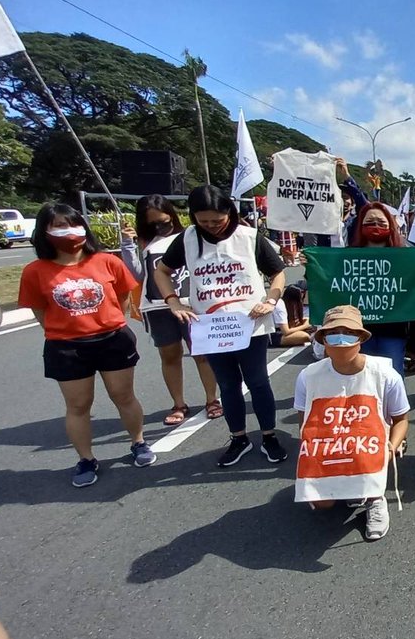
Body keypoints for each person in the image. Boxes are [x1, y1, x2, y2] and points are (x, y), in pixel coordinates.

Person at [18, 203, 154, 487]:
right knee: (78, 405)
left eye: (72, 223)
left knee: (123, 395)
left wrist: (105, 321)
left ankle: (138, 442)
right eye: (58, 226)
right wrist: (70, 328)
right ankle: (86, 459)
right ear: (44, 232)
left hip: (112, 339)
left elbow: (122, 297)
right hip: (66, 347)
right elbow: (41, 313)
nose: (68, 232)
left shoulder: (107, 261)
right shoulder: (35, 271)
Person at [156, 185, 288, 468]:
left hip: (249, 324)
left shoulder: (250, 237)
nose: (211, 227)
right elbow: (162, 271)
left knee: (258, 382)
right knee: (228, 386)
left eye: (217, 220)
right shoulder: (187, 239)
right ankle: (238, 437)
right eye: (203, 221)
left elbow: (278, 272)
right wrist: (173, 302)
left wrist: (271, 299)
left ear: (229, 211)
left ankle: (269, 436)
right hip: (211, 328)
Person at [293, 306, 410, 540]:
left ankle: (375, 498)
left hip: (371, 443)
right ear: (323, 341)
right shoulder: (308, 376)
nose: (341, 340)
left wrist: (391, 447)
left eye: (348, 333)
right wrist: (317, 457)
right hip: (332, 445)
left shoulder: (386, 375)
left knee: (364, 474)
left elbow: (401, 420)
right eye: (333, 334)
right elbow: (305, 425)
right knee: (322, 504)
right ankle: (348, 485)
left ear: (360, 339)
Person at [120, 195, 222, 425]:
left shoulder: (190, 236)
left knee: (203, 354)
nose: (160, 227)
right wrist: (127, 244)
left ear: (172, 216)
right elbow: (137, 275)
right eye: (153, 223)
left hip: (192, 305)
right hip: (157, 307)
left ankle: (212, 400)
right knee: (169, 355)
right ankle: (178, 404)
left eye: (164, 221)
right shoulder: (145, 242)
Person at [343, 202, 412, 375]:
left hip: (393, 331)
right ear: (361, 225)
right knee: (361, 377)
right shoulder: (346, 256)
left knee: (392, 376)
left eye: (381, 223)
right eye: (370, 222)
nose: (375, 226)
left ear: (390, 225)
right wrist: (311, 265)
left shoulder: (404, 255)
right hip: (357, 330)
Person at [270, 283, 312, 347]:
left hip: (280, 332)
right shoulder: (280, 305)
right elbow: (286, 331)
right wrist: (305, 325)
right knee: (305, 336)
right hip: (273, 335)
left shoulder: (287, 304)